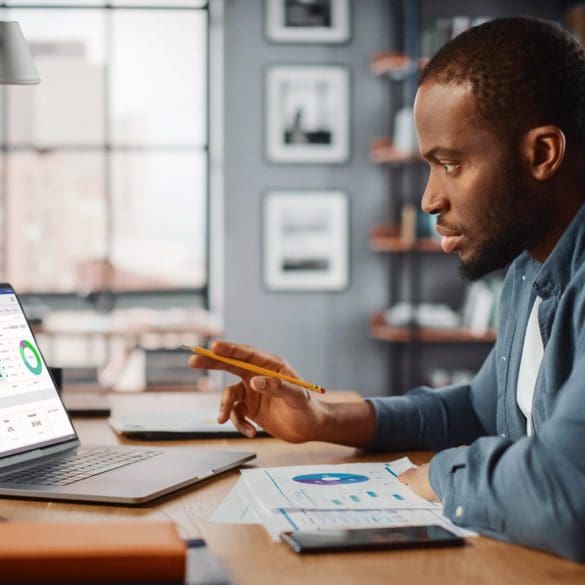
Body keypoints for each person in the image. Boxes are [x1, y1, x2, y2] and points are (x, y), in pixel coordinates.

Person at [190, 17, 585, 562]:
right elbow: (478, 409)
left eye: (451, 164)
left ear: (542, 154)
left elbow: (568, 492)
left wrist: (439, 478)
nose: (429, 200)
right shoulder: (528, 267)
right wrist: (324, 417)